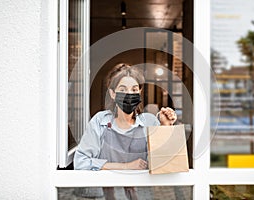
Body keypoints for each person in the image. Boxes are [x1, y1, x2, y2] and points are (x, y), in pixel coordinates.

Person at [74, 63, 177, 199]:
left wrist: (166, 126)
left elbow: (165, 163)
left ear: (139, 92)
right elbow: (81, 162)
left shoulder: (150, 122)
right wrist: (126, 166)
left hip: (142, 195)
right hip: (108, 196)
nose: (129, 94)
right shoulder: (100, 121)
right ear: (112, 93)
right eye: (123, 89)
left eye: (134, 90)